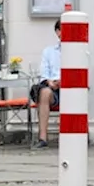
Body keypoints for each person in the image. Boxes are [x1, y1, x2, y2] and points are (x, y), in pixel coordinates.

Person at [31, 19, 62, 149]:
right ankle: (43, 137)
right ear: (58, 32)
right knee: (44, 93)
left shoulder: (80, 50)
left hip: (70, 87)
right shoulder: (49, 51)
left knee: (73, 93)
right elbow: (44, 74)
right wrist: (50, 82)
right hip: (52, 88)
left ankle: (72, 135)